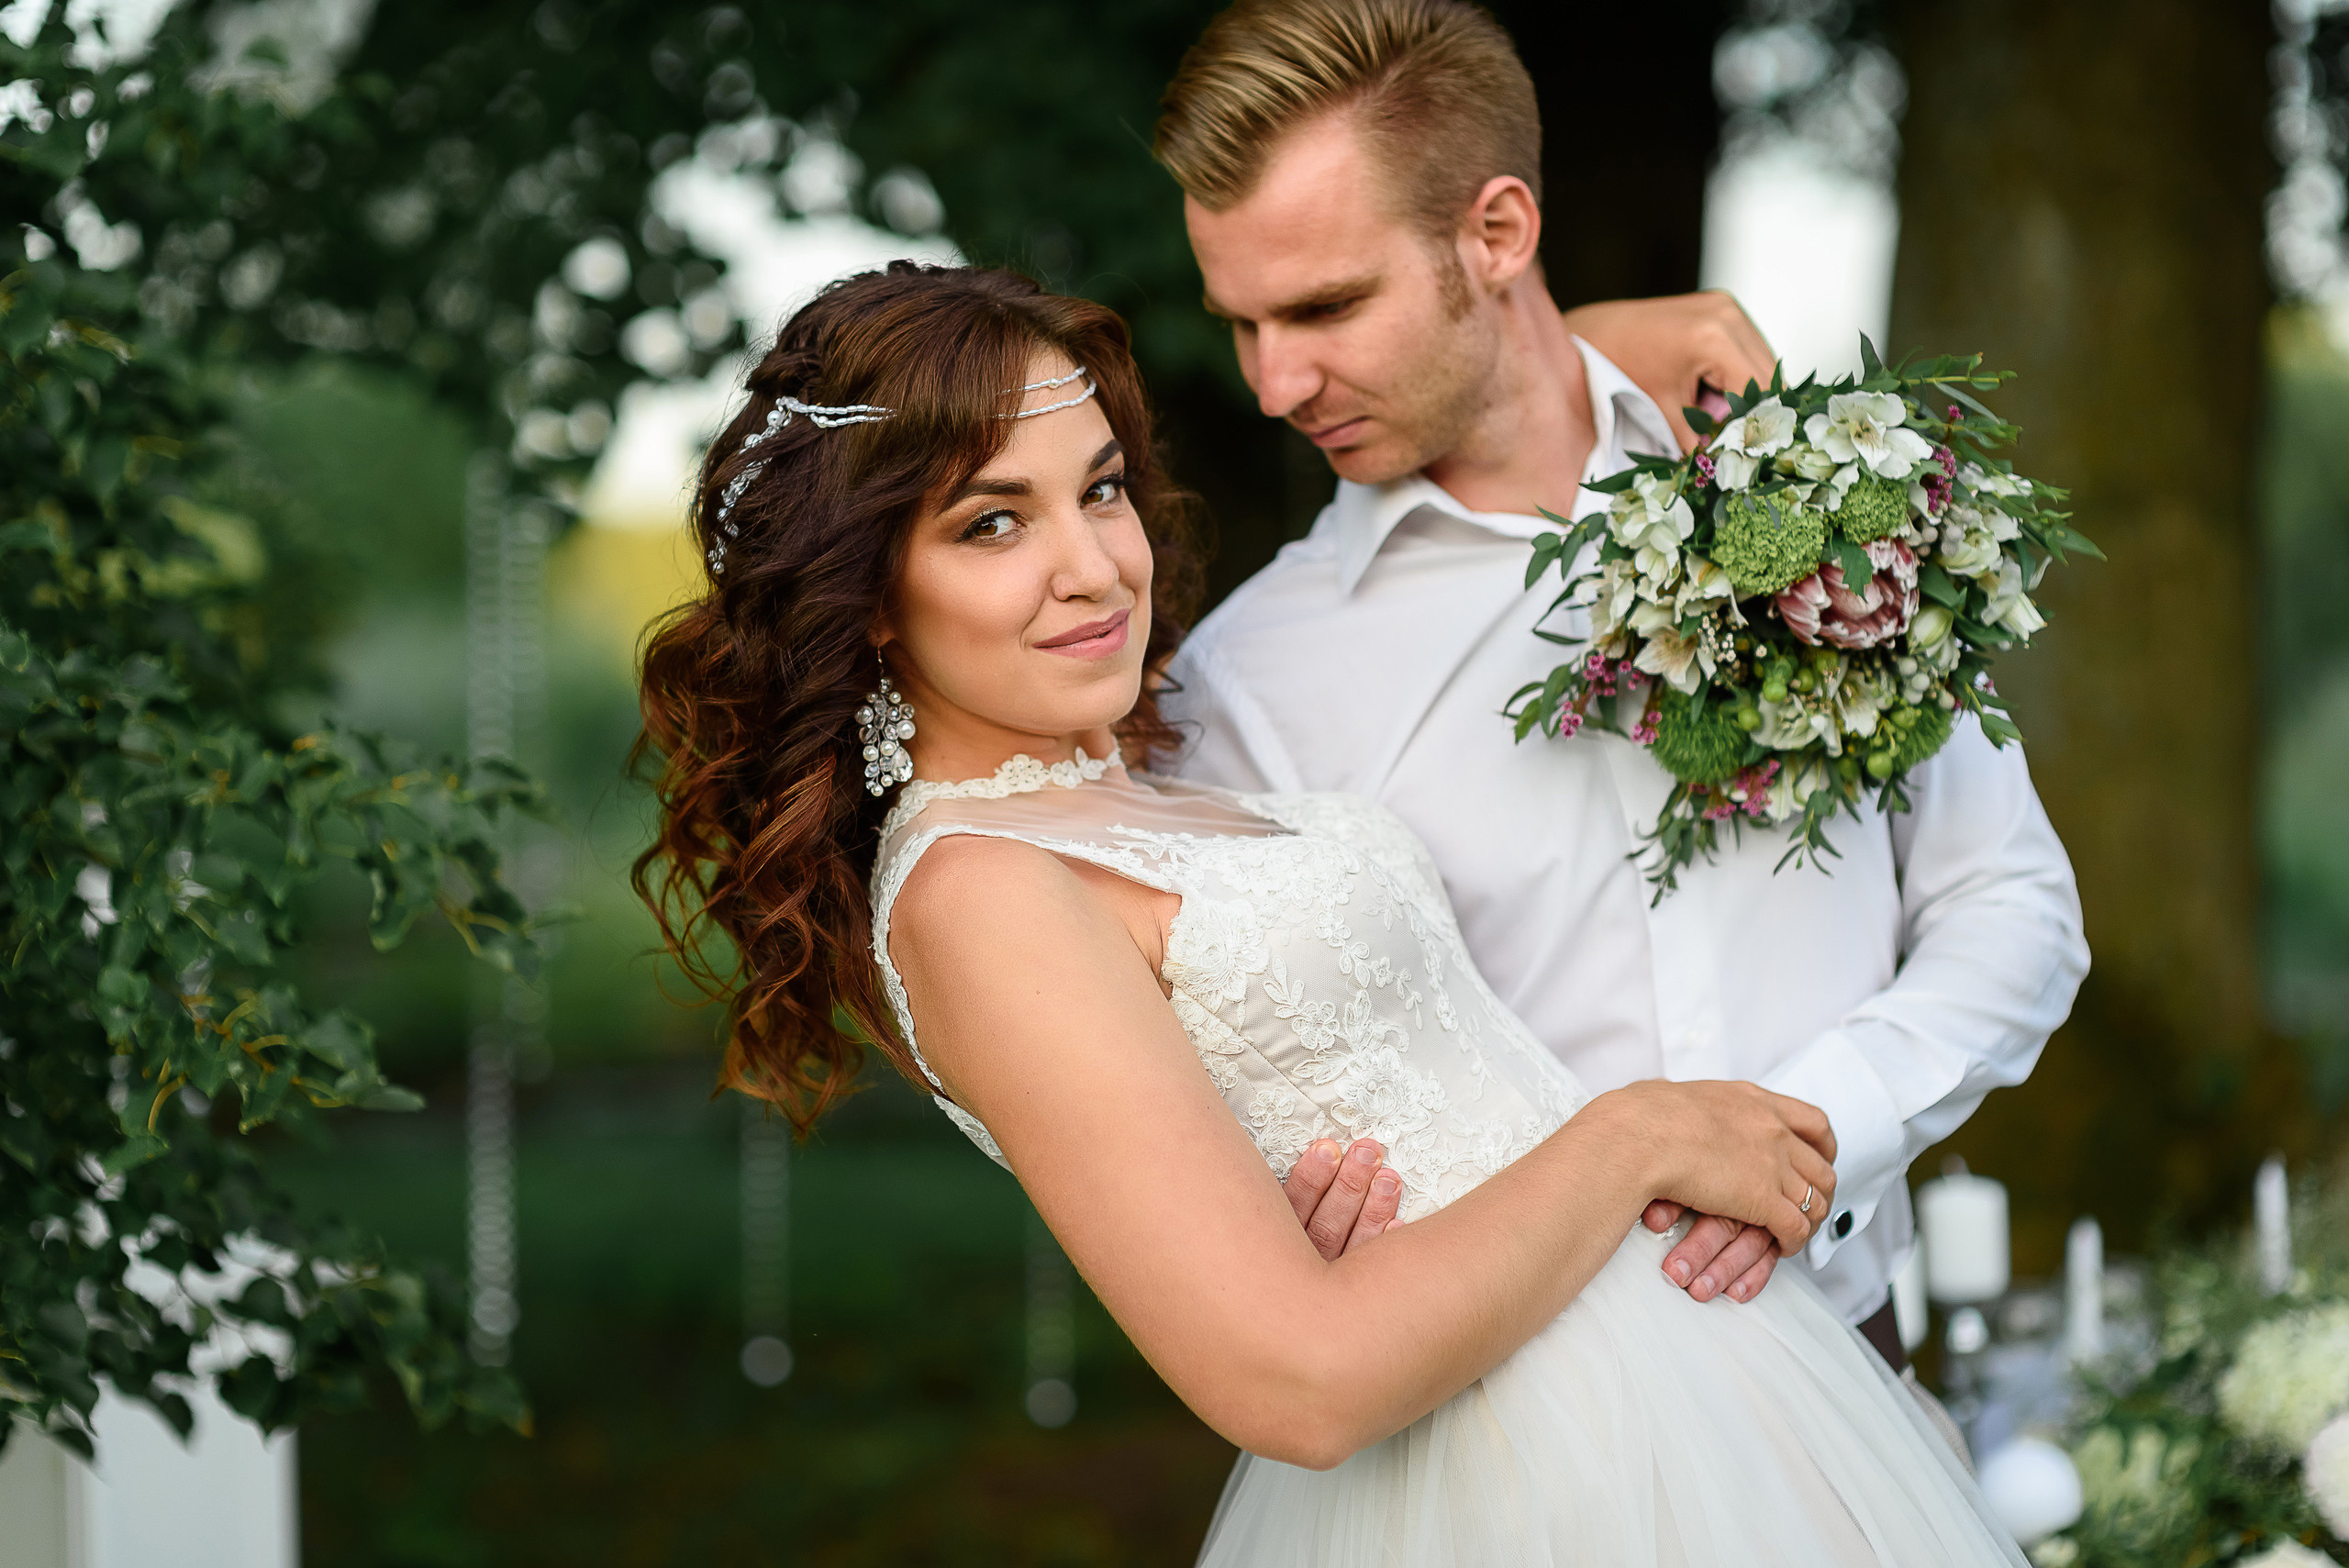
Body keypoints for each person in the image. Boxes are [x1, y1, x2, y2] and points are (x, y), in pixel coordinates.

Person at [635, 261, 2030, 1562]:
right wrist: (1639, 1130)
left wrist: (1584, 350)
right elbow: (1297, 1379)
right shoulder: (975, 894)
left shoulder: (1116, 772)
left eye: (1101, 489)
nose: (1092, 567)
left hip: (1679, 1380)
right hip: (1525, 1476)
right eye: (993, 521)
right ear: (871, 594)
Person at [1151, 0, 2088, 1375]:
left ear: (1499, 233)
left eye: (1326, 306)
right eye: (1240, 322)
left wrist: (1813, 1133)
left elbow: (2012, 903)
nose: (1276, 380)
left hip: (1859, 1375)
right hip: (1515, 1437)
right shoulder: (1246, 681)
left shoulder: (1816, 500)